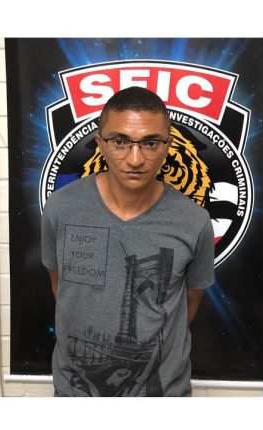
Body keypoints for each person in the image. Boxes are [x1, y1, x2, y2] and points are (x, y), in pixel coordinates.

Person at [40, 86, 215, 396]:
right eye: (120, 142)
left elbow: (189, 304)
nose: (135, 159)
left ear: (167, 146)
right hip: (75, 393)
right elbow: (61, 288)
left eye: (150, 143)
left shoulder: (194, 222)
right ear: (100, 144)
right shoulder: (60, 209)